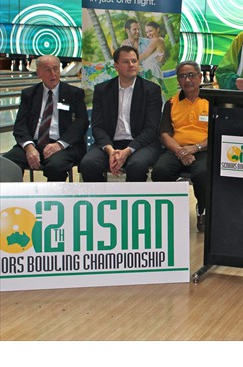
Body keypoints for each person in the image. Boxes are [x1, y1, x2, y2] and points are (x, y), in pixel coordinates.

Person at [79, 45, 162, 182]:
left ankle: (133, 202)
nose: (131, 65)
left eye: (134, 61)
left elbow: (151, 129)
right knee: (89, 164)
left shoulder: (151, 90)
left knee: (137, 165)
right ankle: (101, 201)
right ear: (116, 66)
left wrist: (127, 151)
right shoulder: (102, 90)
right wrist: (111, 151)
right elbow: (97, 127)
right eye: (126, 62)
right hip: (110, 143)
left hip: (141, 144)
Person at [3, 55, 88, 181]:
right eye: (47, 70)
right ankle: (13, 199)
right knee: (6, 164)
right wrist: (29, 147)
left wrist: (59, 144)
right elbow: (20, 126)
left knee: (56, 166)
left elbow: (81, 123)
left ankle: (54, 200)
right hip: (34, 144)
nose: (53, 74)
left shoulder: (74, 93)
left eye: (56, 69)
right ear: (39, 73)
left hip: (64, 146)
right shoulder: (29, 94)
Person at [151, 61, 209, 232]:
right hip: (178, 149)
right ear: (178, 80)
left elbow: (217, 133)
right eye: (182, 76)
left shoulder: (211, 101)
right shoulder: (171, 103)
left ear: (199, 77)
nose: (187, 80)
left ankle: (202, 210)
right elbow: (164, 133)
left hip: (204, 150)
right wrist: (180, 151)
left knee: (202, 173)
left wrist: (196, 148)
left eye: (191, 75)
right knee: (160, 171)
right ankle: (169, 211)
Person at [141, 21, 168, 96]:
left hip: (151, 70)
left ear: (157, 29)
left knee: (153, 94)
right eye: (147, 32)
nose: (148, 34)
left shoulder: (155, 40)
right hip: (153, 69)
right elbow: (161, 60)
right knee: (157, 94)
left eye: (150, 31)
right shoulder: (161, 39)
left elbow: (143, 56)